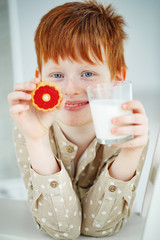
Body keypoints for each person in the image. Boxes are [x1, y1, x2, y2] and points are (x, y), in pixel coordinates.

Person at [8, 1, 149, 239]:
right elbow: (63, 229)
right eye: (57, 75)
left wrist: (130, 154)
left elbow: (100, 228)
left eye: (87, 74)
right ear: (39, 78)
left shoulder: (128, 131)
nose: (71, 89)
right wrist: (37, 140)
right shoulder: (28, 130)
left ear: (117, 78)